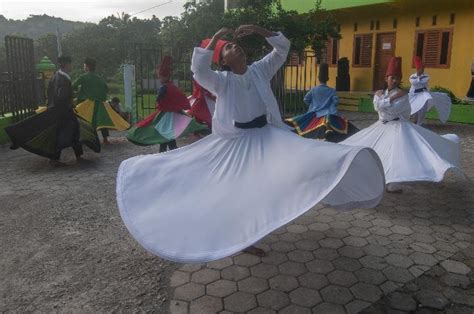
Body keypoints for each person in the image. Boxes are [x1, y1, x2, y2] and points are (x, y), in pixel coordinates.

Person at [116, 25, 385, 263]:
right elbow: (198, 69)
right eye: (229, 48)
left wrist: (259, 30)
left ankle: (295, 200)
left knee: (309, 157)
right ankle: (243, 238)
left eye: (236, 45)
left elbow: (282, 51)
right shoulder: (221, 82)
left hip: (267, 135)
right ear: (223, 60)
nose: (236, 48)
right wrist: (215, 41)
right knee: (238, 189)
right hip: (238, 143)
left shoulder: (259, 71)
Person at [341, 57, 462, 193]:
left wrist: (384, 100)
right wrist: (389, 98)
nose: (394, 81)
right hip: (381, 126)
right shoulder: (383, 93)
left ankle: (393, 182)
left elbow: (391, 112)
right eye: (391, 77)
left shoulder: (403, 96)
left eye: (397, 78)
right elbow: (377, 107)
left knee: (397, 154)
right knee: (375, 150)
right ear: (386, 78)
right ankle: (379, 177)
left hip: (398, 127)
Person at [5, 56, 100, 165]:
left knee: (69, 132)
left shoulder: (56, 76)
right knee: (66, 133)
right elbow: (61, 96)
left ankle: (67, 157)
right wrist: (69, 101)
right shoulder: (63, 79)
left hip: (59, 110)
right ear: (66, 64)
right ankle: (59, 159)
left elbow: (50, 93)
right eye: (70, 64)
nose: (71, 66)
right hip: (63, 111)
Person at [126, 56, 207, 150]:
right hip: (174, 114)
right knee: (168, 133)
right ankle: (168, 150)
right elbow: (181, 99)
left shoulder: (164, 87)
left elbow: (159, 99)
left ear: (163, 77)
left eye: (160, 77)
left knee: (164, 133)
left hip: (165, 115)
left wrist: (160, 103)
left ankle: (168, 150)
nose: (159, 79)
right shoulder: (173, 87)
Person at [285, 63, 358, 142]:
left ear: (318, 78)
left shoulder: (314, 89)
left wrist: (313, 105)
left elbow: (305, 99)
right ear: (327, 78)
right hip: (328, 115)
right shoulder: (332, 90)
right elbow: (335, 102)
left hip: (313, 114)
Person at [74, 57, 130, 144]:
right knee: (102, 120)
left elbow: (73, 86)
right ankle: (105, 139)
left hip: (88, 103)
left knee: (83, 119)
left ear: (87, 66)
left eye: (84, 65)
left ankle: (88, 138)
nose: (84, 67)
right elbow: (106, 89)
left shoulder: (83, 77)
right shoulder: (99, 78)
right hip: (101, 103)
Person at [409, 56, 452, 125]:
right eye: (421, 68)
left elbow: (424, 81)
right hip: (414, 95)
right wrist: (419, 78)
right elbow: (413, 82)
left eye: (423, 68)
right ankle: (414, 120)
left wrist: (419, 79)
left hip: (423, 94)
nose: (422, 70)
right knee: (414, 108)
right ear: (417, 69)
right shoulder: (412, 76)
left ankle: (419, 123)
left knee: (423, 108)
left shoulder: (426, 75)